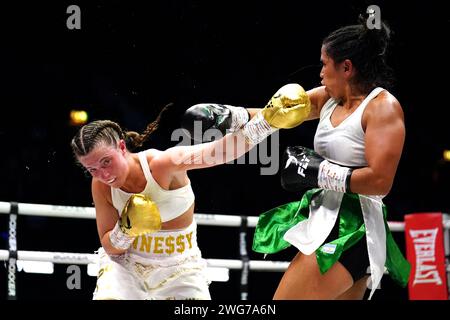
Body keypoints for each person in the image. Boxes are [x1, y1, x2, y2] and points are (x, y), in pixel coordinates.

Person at [182, 18, 411, 300]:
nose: (321, 74)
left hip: (350, 229)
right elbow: (280, 112)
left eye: (325, 64)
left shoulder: (383, 109)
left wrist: (319, 173)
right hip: (328, 220)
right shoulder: (328, 98)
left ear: (347, 68)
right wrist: (231, 115)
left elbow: (380, 181)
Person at [71, 84, 310, 300]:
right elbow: (109, 245)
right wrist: (125, 230)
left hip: (179, 268)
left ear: (122, 147)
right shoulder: (100, 186)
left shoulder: (161, 164)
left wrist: (267, 122)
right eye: (91, 168)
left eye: (105, 162)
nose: (102, 174)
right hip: (127, 267)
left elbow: (220, 153)